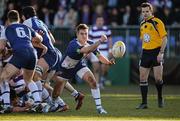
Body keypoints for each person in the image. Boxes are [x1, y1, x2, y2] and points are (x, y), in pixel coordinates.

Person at [52, 24, 115, 114]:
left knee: (92, 81)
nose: (84, 36)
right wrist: (100, 41)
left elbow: (99, 56)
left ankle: (99, 108)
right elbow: (86, 50)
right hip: (65, 68)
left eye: (86, 33)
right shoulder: (73, 44)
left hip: (78, 65)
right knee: (56, 94)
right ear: (77, 34)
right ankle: (55, 103)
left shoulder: (90, 43)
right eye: (82, 34)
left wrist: (108, 62)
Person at [0, 10, 43, 113]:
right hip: (33, 53)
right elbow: (40, 38)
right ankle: (38, 102)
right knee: (28, 79)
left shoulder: (7, 29)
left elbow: (1, 47)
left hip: (20, 52)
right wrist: (37, 39)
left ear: (8, 20)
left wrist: (5, 51)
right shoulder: (26, 27)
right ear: (18, 19)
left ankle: (6, 105)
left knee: (3, 78)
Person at [136, 2, 168, 109]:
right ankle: (144, 103)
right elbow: (144, 39)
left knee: (158, 79)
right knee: (142, 78)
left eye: (147, 11)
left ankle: (160, 98)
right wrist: (142, 52)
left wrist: (161, 53)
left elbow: (164, 38)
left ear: (151, 11)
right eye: (143, 12)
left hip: (156, 52)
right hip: (145, 53)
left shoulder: (157, 22)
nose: (145, 13)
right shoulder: (141, 24)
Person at [89, 15, 112, 89]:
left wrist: (110, 50)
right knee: (96, 68)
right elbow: (89, 41)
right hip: (95, 51)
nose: (99, 22)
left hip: (104, 51)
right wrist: (89, 51)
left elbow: (110, 41)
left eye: (101, 21)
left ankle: (102, 80)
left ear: (103, 21)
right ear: (96, 21)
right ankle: (97, 84)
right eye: (98, 20)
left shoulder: (107, 29)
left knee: (104, 68)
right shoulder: (92, 30)